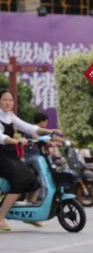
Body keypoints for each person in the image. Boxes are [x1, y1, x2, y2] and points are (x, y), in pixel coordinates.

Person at [0, 90, 60, 231]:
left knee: (34, 183)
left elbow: (28, 127)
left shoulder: (10, 116)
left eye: (10, 100)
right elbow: (1, 137)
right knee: (19, 183)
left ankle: (30, 216)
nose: (8, 102)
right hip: (2, 156)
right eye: (4, 99)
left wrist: (49, 131)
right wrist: (16, 141)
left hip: (12, 155)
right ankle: (1, 217)